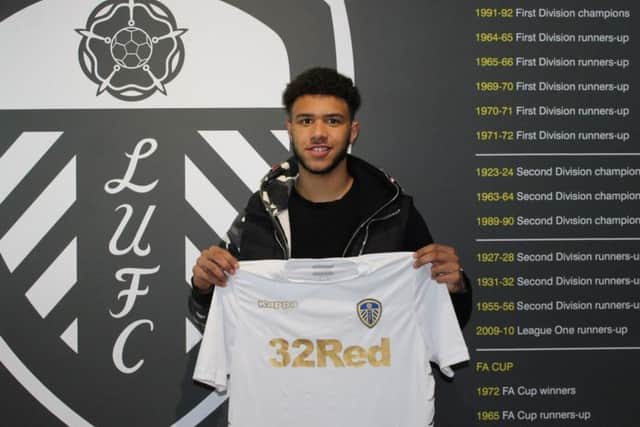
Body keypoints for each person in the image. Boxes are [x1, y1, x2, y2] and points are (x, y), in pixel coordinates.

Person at [189, 67, 471, 328]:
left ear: (353, 131)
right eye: (306, 121)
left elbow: (444, 324)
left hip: (370, 378)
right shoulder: (263, 211)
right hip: (280, 379)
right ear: (291, 130)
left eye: (333, 121)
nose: (319, 133)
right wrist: (204, 287)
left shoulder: (392, 212)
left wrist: (455, 289)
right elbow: (215, 323)